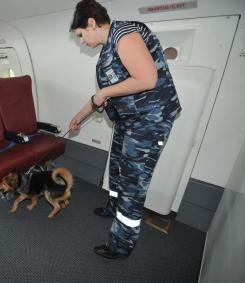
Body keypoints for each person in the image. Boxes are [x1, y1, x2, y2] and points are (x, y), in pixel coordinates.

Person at [69, 0, 181, 259]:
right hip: (129, 119)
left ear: (91, 23)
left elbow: (147, 79)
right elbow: (102, 96)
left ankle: (121, 244)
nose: (82, 41)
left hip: (150, 121)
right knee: (118, 165)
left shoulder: (125, 34)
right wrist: (78, 117)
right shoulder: (108, 48)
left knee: (134, 181)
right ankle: (113, 204)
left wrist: (105, 92)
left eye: (80, 35)